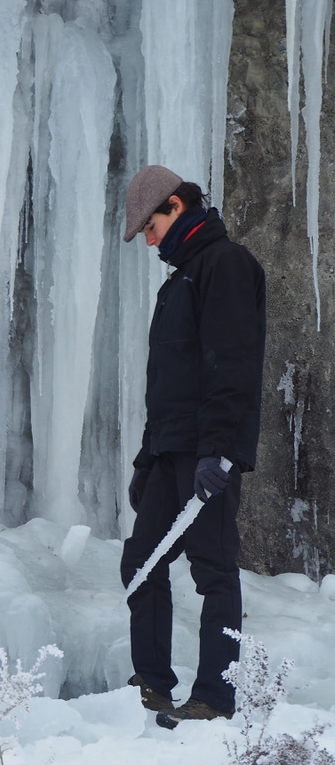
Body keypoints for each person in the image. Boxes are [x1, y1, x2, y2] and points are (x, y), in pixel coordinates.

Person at [120, 165, 265, 729]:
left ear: (177, 207)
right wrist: (146, 457)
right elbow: (170, 383)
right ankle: (153, 684)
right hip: (171, 448)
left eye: (151, 227)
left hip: (208, 452)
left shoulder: (225, 265)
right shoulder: (181, 278)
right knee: (141, 561)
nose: (150, 241)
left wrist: (220, 451)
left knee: (213, 568)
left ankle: (214, 696)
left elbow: (232, 364)